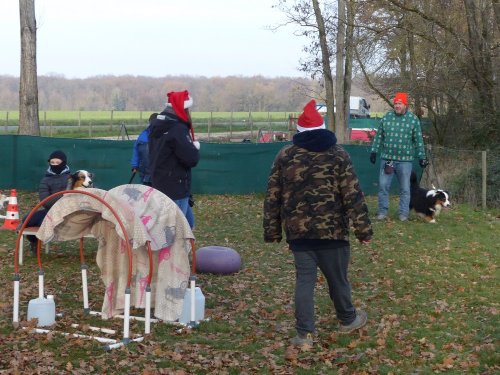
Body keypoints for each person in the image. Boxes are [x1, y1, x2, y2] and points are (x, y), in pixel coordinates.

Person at [263, 99, 373, 348]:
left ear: (299, 131)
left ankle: (304, 335)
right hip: (333, 232)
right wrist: (363, 230)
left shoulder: (285, 155)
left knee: (304, 281)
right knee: (338, 279)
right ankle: (347, 319)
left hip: (299, 234)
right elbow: (353, 194)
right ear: (322, 127)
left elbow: (273, 195)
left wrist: (273, 232)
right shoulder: (339, 155)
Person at [369, 92, 428, 221]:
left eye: (399, 103)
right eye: (395, 103)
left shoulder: (413, 120)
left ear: (405, 105)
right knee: (383, 186)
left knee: (405, 189)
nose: (397, 106)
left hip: (405, 161)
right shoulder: (386, 117)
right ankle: (382, 212)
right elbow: (379, 136)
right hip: (387, 159)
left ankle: (403, 214)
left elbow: (418, 140)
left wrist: (422, 157)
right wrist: (374, 151)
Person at [149, 90, 200, 229]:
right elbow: (191, 159)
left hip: (160, 182)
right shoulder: (177, 129)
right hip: (176, 186)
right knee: (177, 231)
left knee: (188, 225)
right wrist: (194, 147)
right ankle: (173, 251)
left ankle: (180, 249)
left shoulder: (156, 125)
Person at [22, 150, 71, 254]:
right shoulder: (45, 180)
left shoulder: (71, 178)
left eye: (57, 163)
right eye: (52, 163)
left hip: (68, 212)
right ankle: (34, 242)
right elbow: (45, 202)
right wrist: (63, 195)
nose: (54, 165)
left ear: (64, 163)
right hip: (49, 211)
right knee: (27, 220)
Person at [130, 112, 158, 186]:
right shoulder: (143, 135)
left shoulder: (163, 134)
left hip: (157, 173)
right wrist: (135, 165)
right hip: (144, 173)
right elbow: (136, 150)